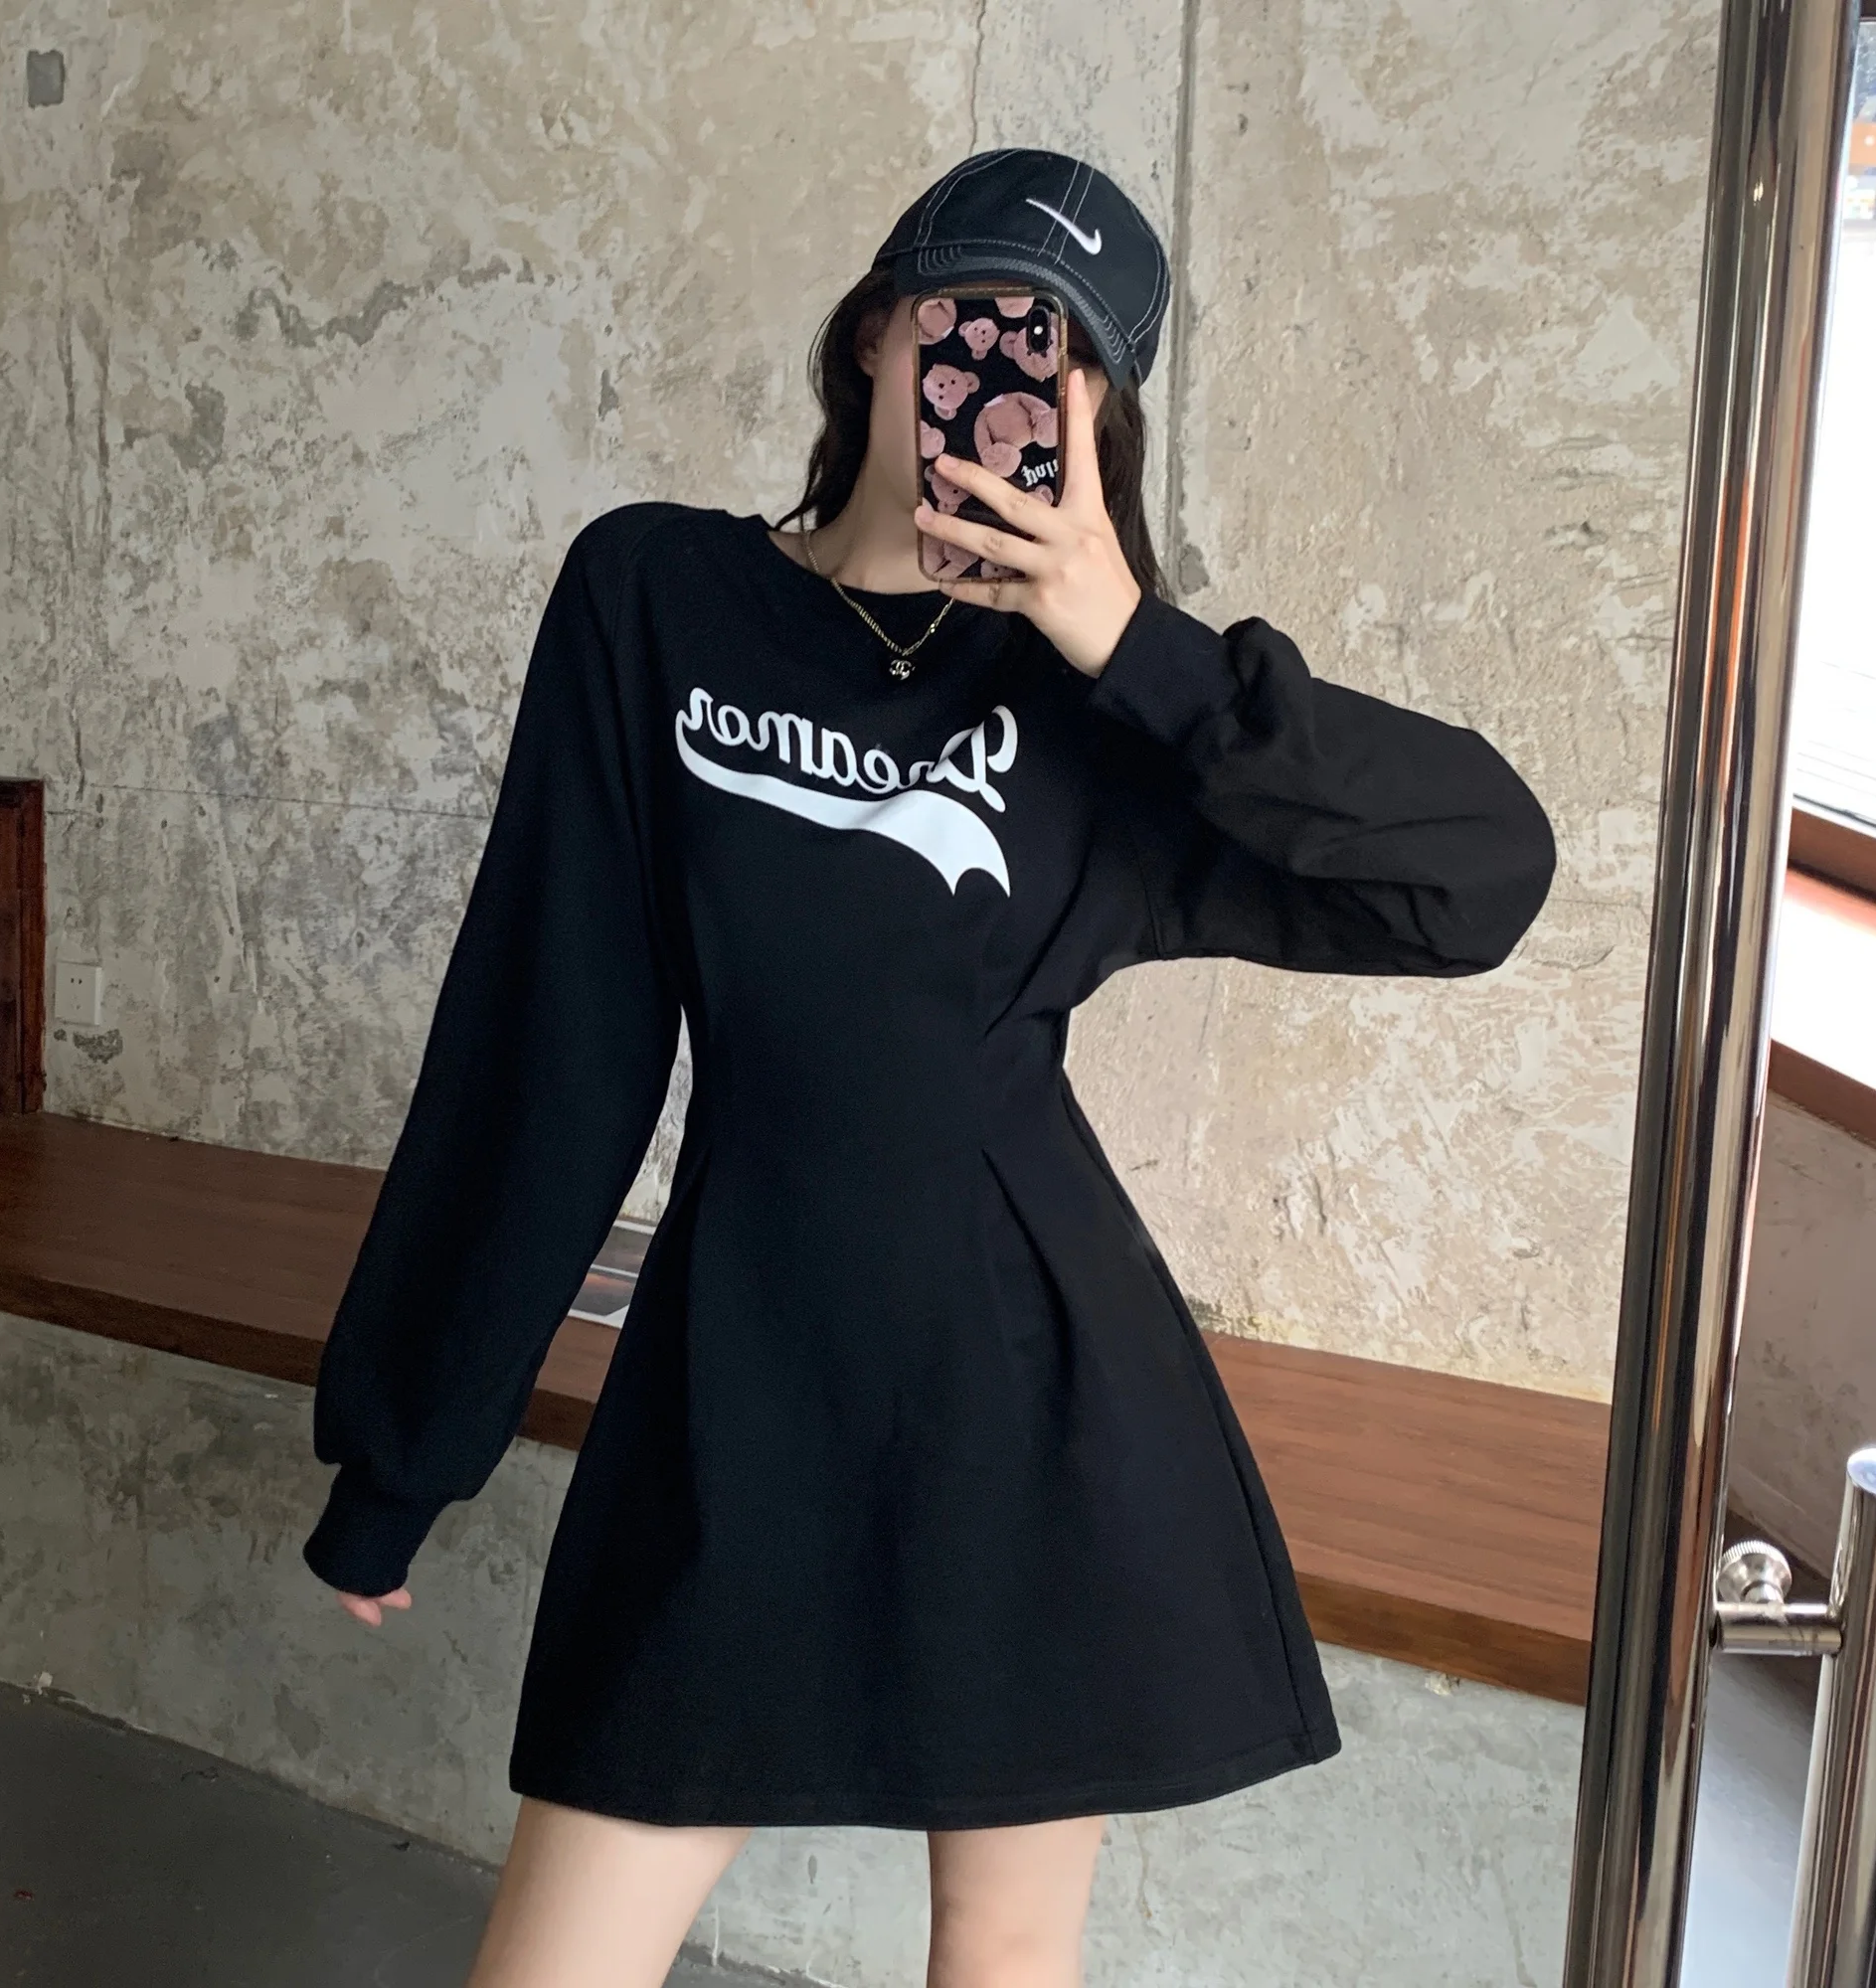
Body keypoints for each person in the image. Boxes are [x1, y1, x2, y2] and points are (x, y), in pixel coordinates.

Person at [298, 149, 1557, 1988]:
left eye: (1071, 358)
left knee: (1003, 1957)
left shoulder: (1116, 715)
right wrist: (406, 1450)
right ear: (882, 331)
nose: (1010, 378)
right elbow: (547, 1043)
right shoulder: (655, 594)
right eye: (982, 319)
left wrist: (1142, 650)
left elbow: (1482, 878)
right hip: (731, 1392)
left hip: (1034, 1410)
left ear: (1101, 418)